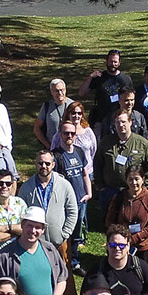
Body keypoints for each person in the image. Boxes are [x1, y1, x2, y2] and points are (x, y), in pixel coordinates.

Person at [0, 206, 68, 295]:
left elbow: (62, 279)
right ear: (22, 225)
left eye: (38, 227)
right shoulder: (5, 255)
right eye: (29, 225)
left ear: (43, 230)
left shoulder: (50, 250)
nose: (33, 230)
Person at [18, 149, 79, 257]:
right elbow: (20, 214)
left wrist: (64, 234)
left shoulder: (64, 185)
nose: (44, 166)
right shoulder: (26, 187)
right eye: (40, 163)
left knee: (63, 272)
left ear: (53, 164)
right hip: (35, 242)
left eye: (47, 163)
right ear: (35, 164)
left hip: (59, 242)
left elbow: (73, 211)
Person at [53, 120, 93, 274]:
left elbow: (84, 173)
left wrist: (88, 193)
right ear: (60, 134)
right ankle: (61, 262)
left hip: (81, 200)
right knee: (64, 234)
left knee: (77, 234)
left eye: (72, 133)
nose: (69, 136)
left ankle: (74, 262)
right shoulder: (56, 155)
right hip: (65, 204)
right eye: (66, 133)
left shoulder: (79, 151)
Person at [94, 108, 148, 212]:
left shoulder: (142, 143)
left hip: (132, 190)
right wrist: (100, 185)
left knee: (131, 220)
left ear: (130, 122)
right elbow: (98, 163)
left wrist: (144, 187)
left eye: (123, 122)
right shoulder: (106, 142)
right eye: (117, 122)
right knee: (108, 221)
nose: (121, 125)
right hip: (110, 190)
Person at [106, 165, 148, 261]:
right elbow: (110, 221)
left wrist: (135, 238)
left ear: (143, 179)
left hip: (141, 245)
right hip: (120, 244)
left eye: (136, 179)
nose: (133, 183)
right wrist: (120, 237)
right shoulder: (119, 197)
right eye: (130, 179)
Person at [79, 48, 133, 125]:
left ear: (119, 63)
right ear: (106, 61)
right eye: (111, 61)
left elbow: (132, 98)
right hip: (101, 119)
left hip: (121, 119)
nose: (113, 64)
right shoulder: (99, 77)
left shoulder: (126, 79)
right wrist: (90, 77)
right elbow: (82, 93)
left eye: (115, 62)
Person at [50, 101, 98, 180]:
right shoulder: (60, 133)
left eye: (79, 113)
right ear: (68, 114)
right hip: (67, 172)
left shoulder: (88, 131)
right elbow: (53, 151)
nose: (76, 116)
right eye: (73, 113)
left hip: (87, 171)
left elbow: (93, 150)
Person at [33, 78, 73, 149]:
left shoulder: (73, 105)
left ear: (65, 89)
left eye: (62, 90)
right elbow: (37, 128)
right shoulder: (47, 106)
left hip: (70, 147)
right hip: (53, 148)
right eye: (57, 91)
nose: (60, 93)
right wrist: (47, 145)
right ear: (51, 92)